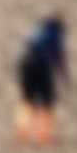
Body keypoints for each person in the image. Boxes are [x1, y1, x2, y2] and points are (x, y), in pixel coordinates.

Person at [15, 14, 69, 145]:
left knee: (27, 100)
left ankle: (21, 132)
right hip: (42, 67)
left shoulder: (35, 30)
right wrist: (64, 75)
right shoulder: (54, 34)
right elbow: (58, 56)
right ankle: (44, 134)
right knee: (47, 102)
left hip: (25, 66)